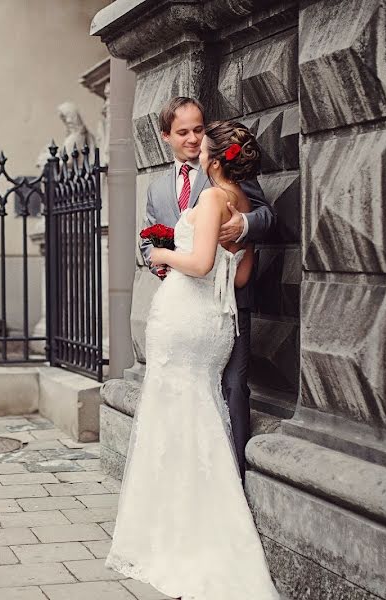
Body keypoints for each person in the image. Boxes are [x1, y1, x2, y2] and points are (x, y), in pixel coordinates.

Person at [106, 120, 280, 599]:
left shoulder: (210, 199)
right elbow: (240, 277)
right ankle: (202, 513)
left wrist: (166, 251)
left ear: (216, 158)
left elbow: (200, 264)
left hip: (185, 319)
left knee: (173, 414)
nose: (197, 150)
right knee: (200, 412)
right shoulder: (241, 203)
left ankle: (178, 529)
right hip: (216, 323)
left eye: (203, 145)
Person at [138, 97, 276, 477]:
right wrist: (158, 259)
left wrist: (243, 230)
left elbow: (265, 216)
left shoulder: (221, 169)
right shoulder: (157, 189)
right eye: (183, 132)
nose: (194, 139)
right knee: (183, 389)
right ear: (165, 136)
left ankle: (233, 476)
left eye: (199, 129)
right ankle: (185, 475)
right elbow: (149, 238)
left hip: (227, 300)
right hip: (184, 303)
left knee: (232, 386)